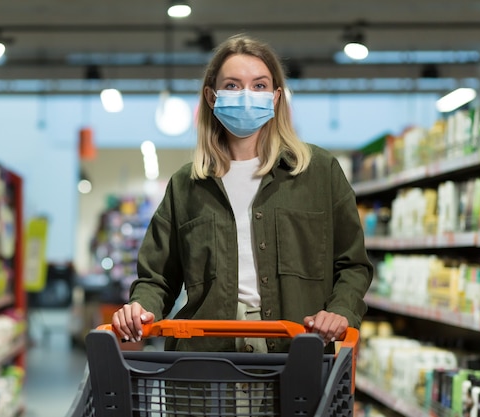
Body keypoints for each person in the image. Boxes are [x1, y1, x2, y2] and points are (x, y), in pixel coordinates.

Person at [112, 33, 373, 354]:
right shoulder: (186, 185)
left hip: (296, 353)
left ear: (276, 97)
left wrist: (340, 311)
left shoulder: (319, 171)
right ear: (211, 96)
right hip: (207, 357)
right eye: (233, 86)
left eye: (259, 86)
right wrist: (140, 306)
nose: (246, 95)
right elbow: (157, 278)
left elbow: (352, 265)